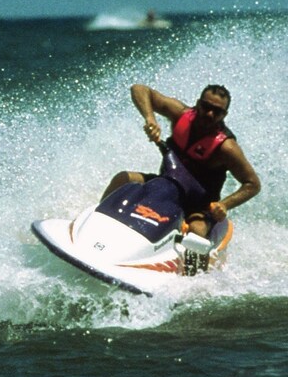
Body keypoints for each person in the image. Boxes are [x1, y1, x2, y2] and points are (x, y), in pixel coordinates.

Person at [102, 83, 261, 271]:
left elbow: (252, 184)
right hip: (165, 185)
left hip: (198, 204)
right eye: (206, 107)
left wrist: (224, 205)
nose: (209, 114)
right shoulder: (180, 115)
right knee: (123, 179)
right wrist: (150, 118)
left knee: (197, 231)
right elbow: (139, 89)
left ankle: (193, 279)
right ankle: (96, 228)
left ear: (224, 116)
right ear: (198, 104)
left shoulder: (227, 148)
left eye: (217, 111)